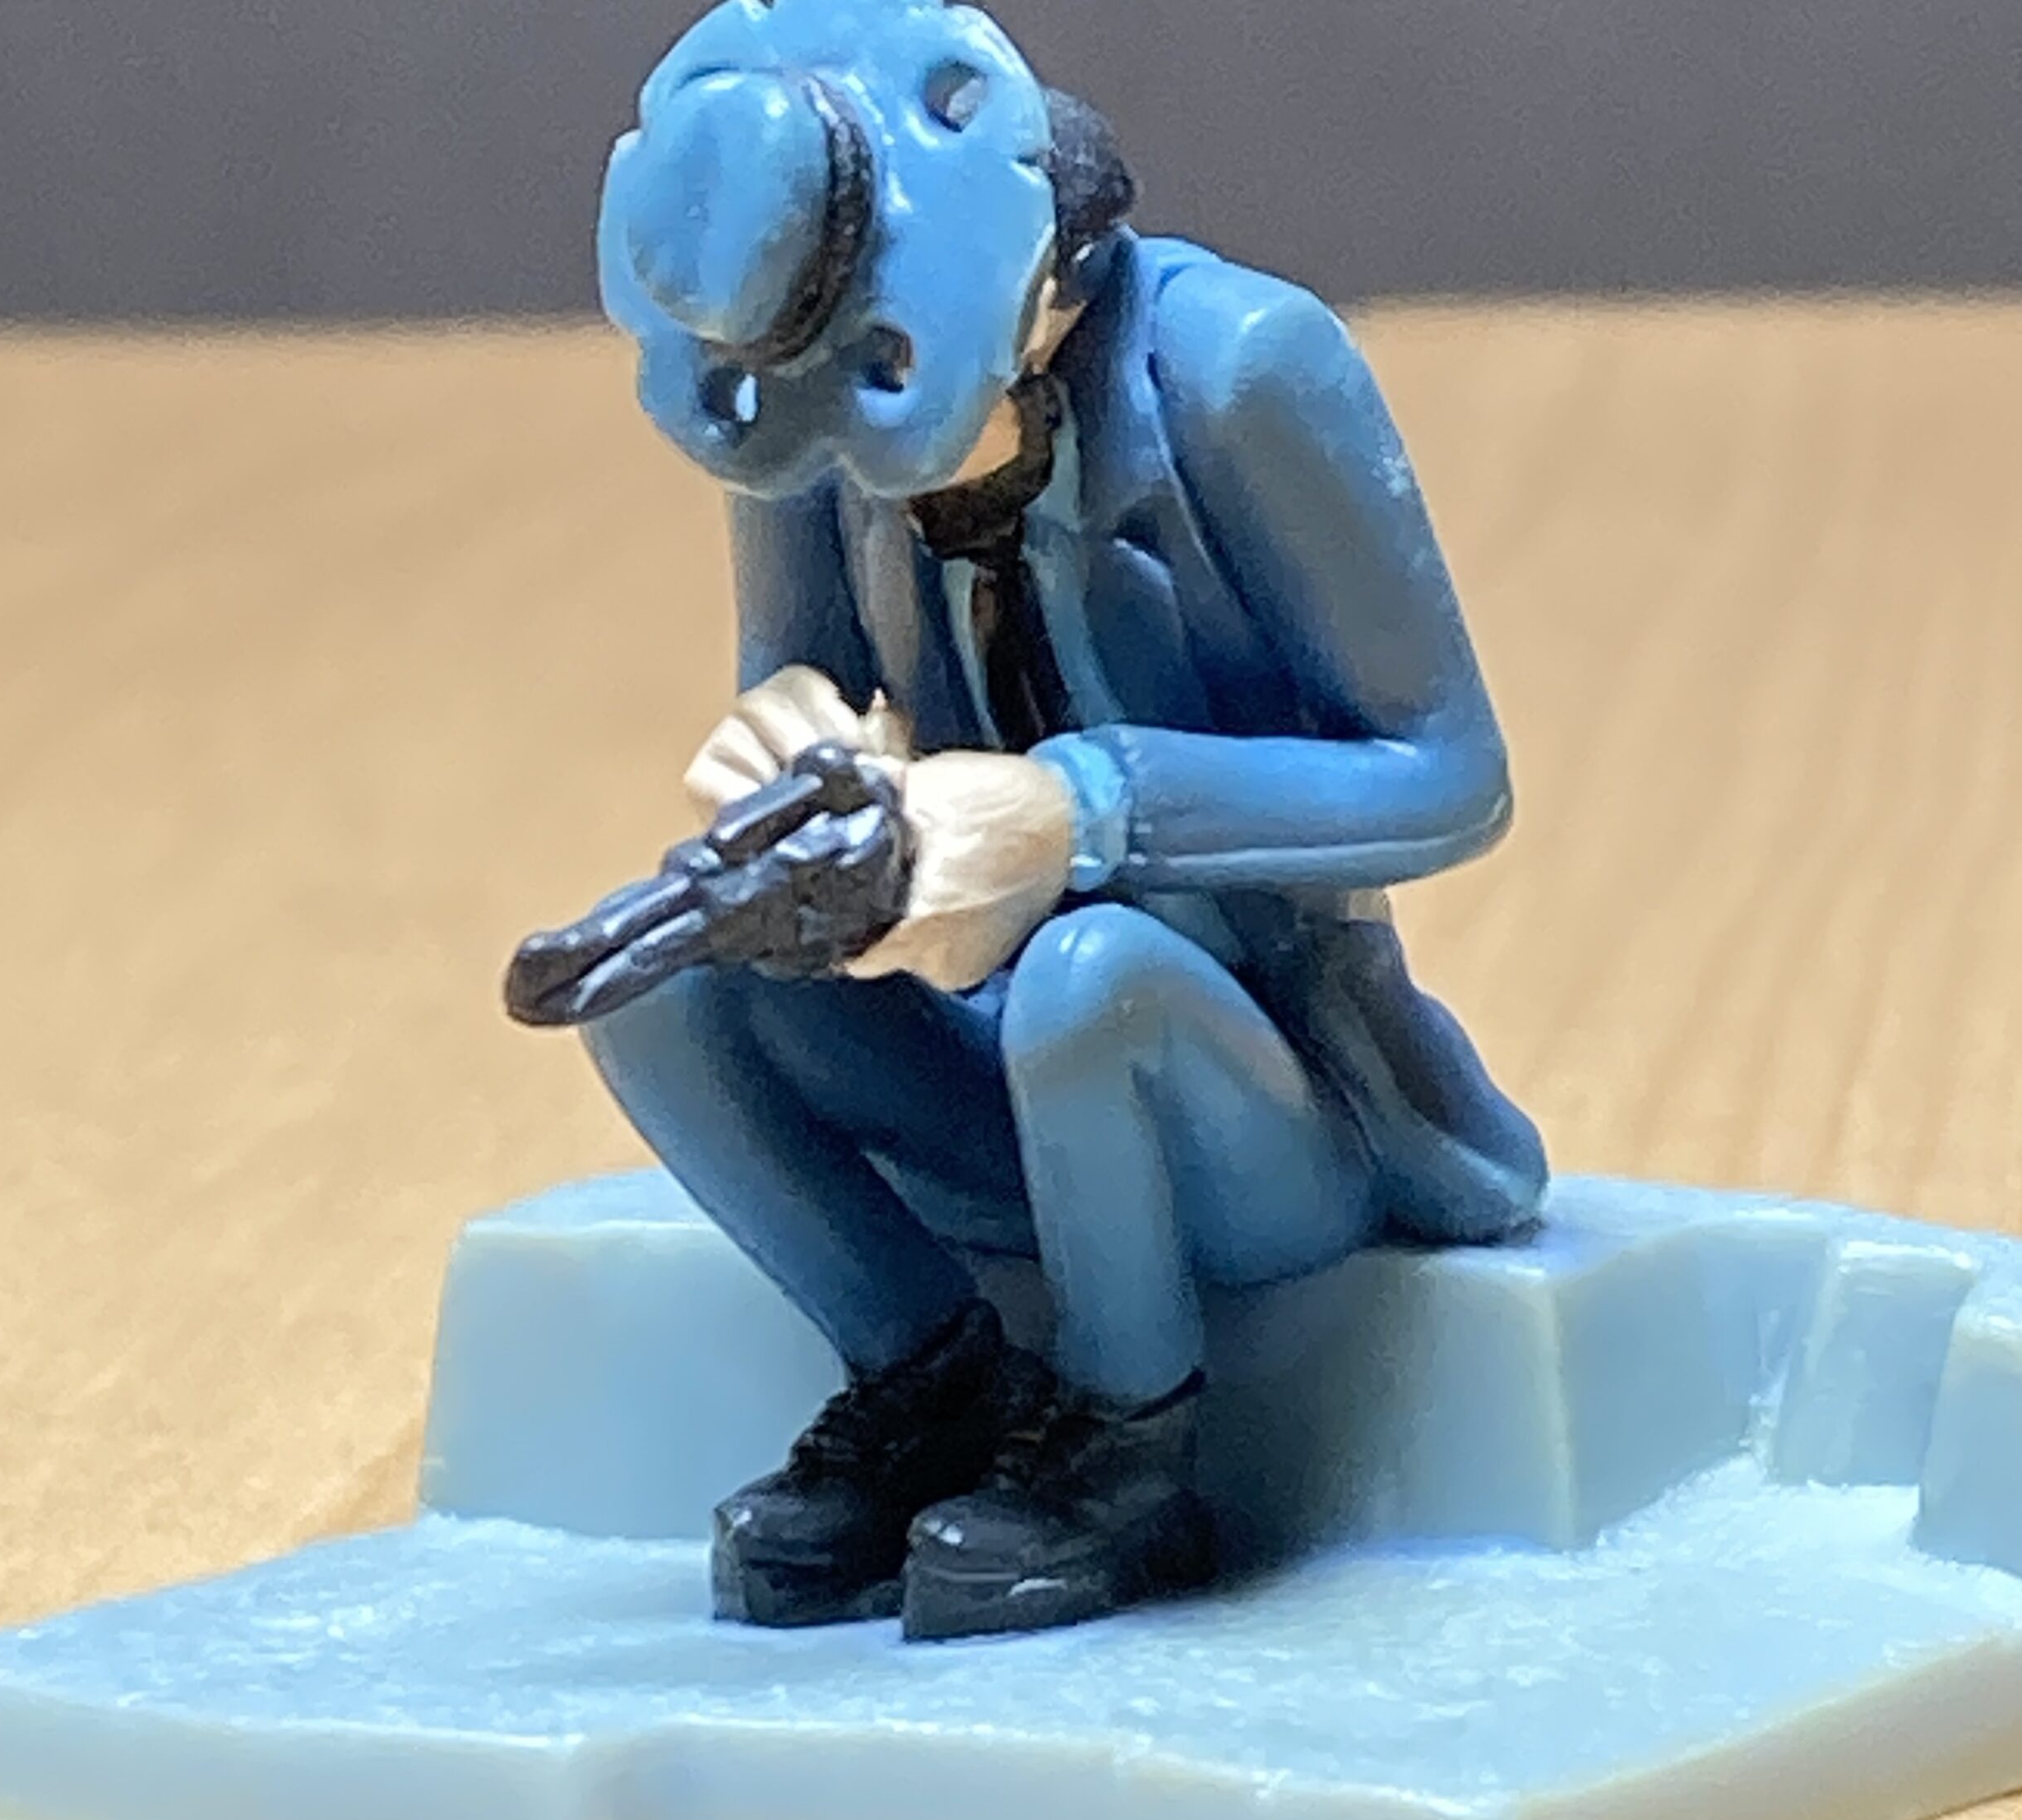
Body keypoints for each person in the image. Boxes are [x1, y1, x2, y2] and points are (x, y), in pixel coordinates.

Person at [571, 0, 1548, 1642]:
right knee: (661, 986)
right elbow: (798, 667)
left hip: (1259, 1096)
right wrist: (793, 755)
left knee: (1091, 978)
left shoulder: (1240, 375)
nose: (878, 471)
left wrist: (1074, 810)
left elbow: (1448, 772)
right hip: (974, 1068)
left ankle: (1124, 1441)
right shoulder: (809, 406)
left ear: (1035, 298)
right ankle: (925, 1375)